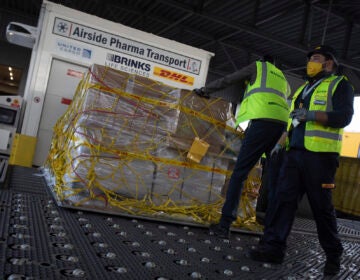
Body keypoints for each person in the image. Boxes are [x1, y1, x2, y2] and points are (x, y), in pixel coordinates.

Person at [248, 45, 354, 276]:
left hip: (321, 160)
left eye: (315, 58)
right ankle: (273, 249)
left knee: (322, 208)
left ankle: (333, 254)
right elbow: (293, 122)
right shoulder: (304, 90)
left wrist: (312, 115)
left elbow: (344, 117)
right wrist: (279, 144)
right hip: (294, 155)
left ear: (329, 63)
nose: (310, 63)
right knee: (281, 202)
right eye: (309, 59)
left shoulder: (340, 85)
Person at [193, 55, 291, 238]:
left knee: (239, 174)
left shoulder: (258, 67)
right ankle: (272, 229)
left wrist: (206, 90)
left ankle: (224, 224)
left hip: (262, 123)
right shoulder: (283, 79)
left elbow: (230, 79)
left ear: (263, 61)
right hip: (281, 127)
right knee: (275, 178)